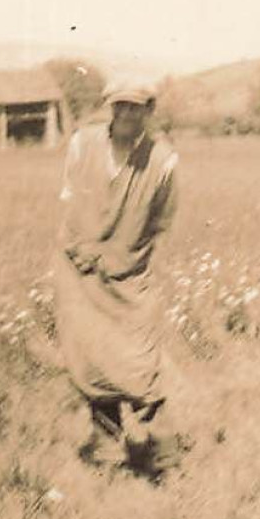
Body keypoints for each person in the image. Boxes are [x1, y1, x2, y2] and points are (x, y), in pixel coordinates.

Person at [53, 82, 183, 476]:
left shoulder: (163, 162)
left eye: (136, 108)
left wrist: (130, 261)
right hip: (79, 272)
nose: (127, 114)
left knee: (140, 364)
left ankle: (162, 456)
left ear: (149, 110)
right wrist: (81, 251)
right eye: (120, 106)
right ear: (110, 107)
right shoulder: (82, 145)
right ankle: (106, 450)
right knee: (90, 359)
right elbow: (70, 200)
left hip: (129, 277)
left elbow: (162, 222)